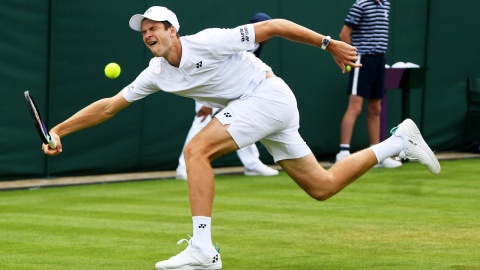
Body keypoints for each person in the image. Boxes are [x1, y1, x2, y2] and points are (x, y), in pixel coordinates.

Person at [42, 6, 440, 270]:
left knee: (197, 149)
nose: (147, 34)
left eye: (154, 28)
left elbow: (275, 27)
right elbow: (109, 106)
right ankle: (399, 141)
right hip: (263, 107)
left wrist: (327, 42)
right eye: (143, 31)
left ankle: (203, 249)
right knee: (323, 185)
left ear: (172, 30)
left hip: (267, 95)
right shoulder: (156, 73)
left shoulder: (209, 41)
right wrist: (59, 129)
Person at [176, 12, 278, 180]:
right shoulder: (241, 42)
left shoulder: (257, 43)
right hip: (209, 87)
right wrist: (207, 103)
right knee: (201, 124)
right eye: (266, 29)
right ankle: (184, 167)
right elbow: (210, 67)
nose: (270, 34)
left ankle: (252, 165)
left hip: (233, 89)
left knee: (244, 121)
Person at [336, 0, 402, 169]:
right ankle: (343, 153)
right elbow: (344, 34)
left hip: (379, 60)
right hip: (362, 59)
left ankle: (377, 155)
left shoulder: (386, 4)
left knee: (376, 109)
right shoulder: (361, 4)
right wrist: (352, 57)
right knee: (355, 108)